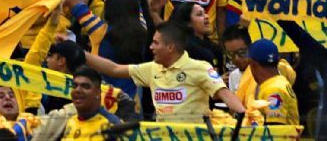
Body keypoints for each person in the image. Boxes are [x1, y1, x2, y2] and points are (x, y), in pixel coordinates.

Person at [83, 23, 246, 122]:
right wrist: (80, 53)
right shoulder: (152, 68)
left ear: (170, 47)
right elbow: (114, 69)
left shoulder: (200, 68)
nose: (151, 47)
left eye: (155, 43)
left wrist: (243, 116)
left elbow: (225, 94)